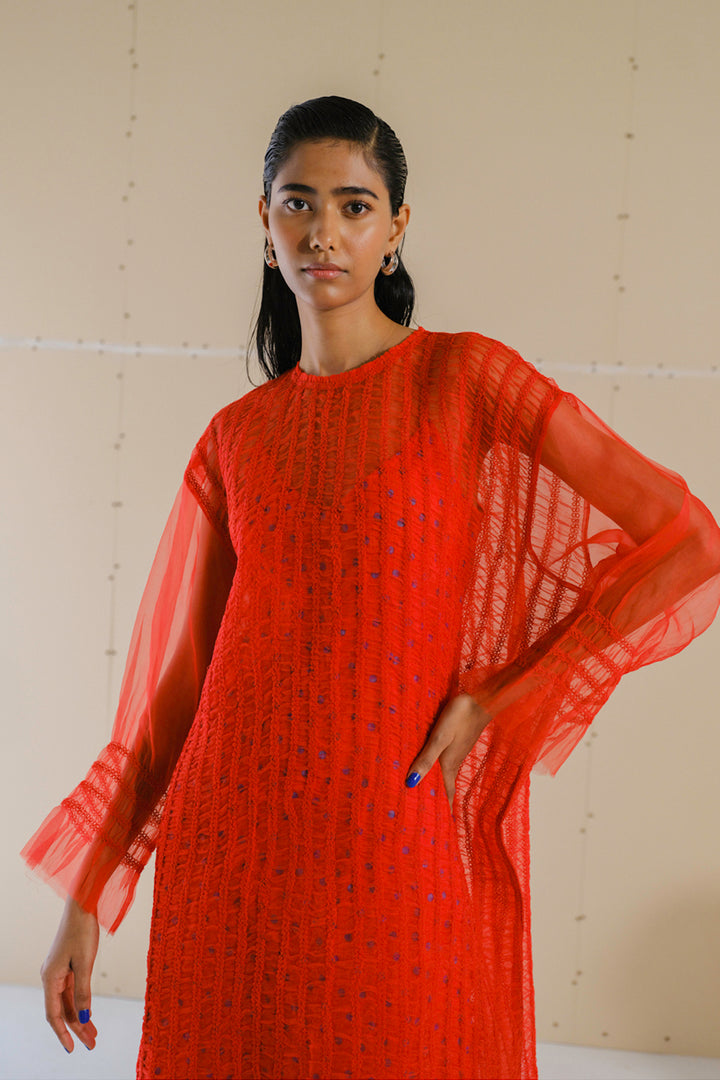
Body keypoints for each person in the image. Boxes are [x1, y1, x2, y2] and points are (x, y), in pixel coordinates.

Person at [22, 95, 720, 1080]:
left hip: (393, 845)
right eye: (298, 204)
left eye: (355, 206)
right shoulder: (236, 440)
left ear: (396, 228)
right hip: (236, 850)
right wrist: (84, 903)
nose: (324, 231)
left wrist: (502, 699)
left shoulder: (464, 380)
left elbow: (688, 540)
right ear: (263, 224)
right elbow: (169, 700)